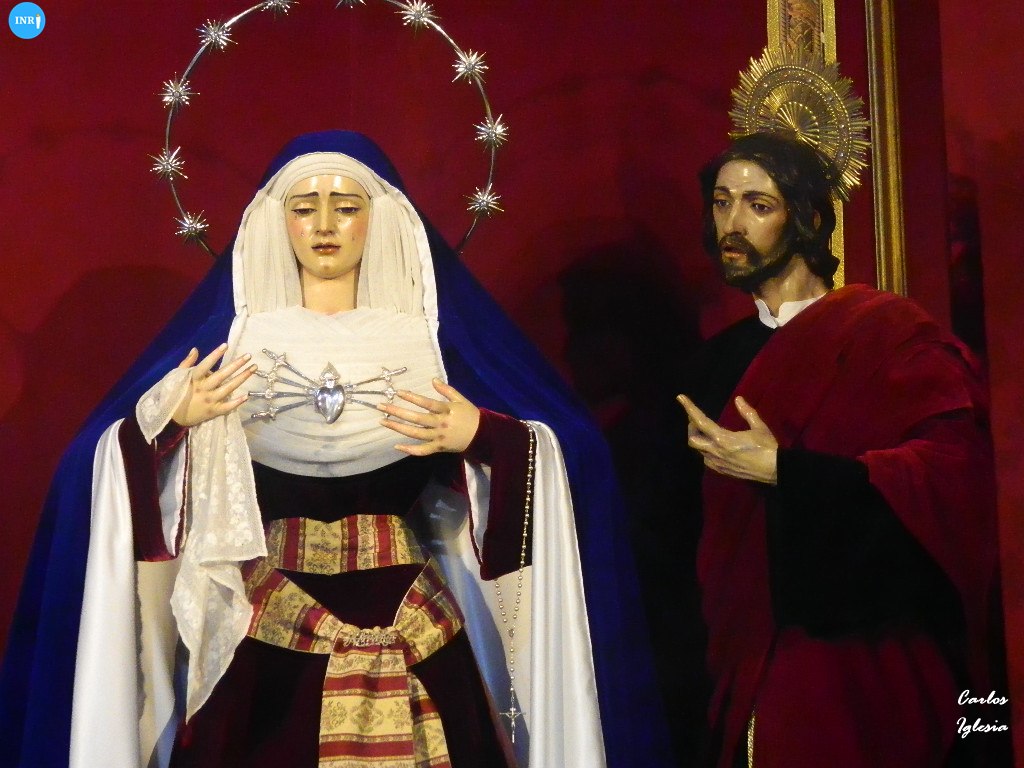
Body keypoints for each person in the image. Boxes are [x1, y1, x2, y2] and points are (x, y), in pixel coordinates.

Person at [0, 132, 671, 768]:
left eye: (346, 206)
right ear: (278, 221)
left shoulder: (429, 345)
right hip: (269, 617)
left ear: (379, 219)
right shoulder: (236, 345)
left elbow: (570, 453)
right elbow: (101, 464)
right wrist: (173, 422)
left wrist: (484, 436)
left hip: (410, 608)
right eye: (304, 207)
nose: (325, 225)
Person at [675, 132, 1001, 768]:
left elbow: (952, 474)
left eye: (758, 205)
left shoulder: (884, 332)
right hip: (740, 667)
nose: (732, 224)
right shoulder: (708, 368)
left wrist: (786, 472)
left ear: (808, 219)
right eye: (721, 202)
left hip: (857, 662)